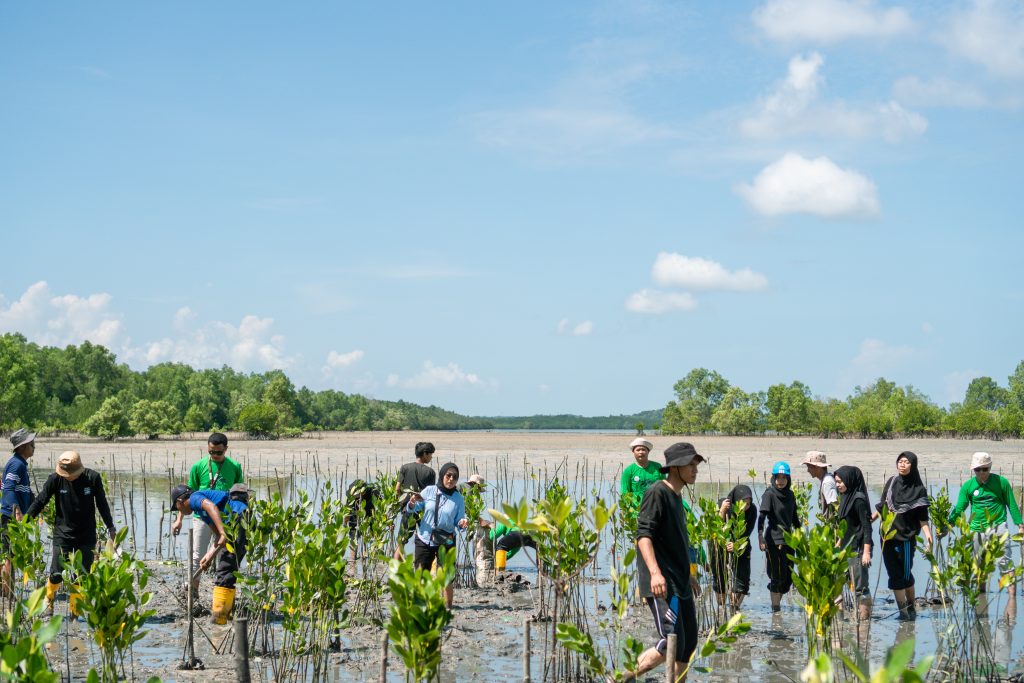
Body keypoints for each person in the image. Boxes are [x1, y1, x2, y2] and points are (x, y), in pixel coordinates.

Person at [621, 442, 704, 683]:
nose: (695, 469)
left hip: (680, 582)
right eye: (691, 464)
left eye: (696, 464)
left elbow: (674, 543)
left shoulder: (677, 497)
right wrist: (655, 573)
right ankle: (618, 678)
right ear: (676, 467)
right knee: (670, 642)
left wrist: (687, 574)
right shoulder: (657, 491)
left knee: (687, 645)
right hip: (662, 584)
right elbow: (643, 536)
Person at [25, 451, 116, 616]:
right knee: (57, 573)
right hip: (63, 533)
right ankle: (48, 604)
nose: (67, 476)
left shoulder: (92, 478)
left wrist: (110, 526)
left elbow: (102, 503)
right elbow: (40, 500)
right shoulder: (55, 479)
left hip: (86, 533)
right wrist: (25, 522)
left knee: (81, 574)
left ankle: (75, 611)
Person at [171, 432, 244, 596]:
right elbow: (187, 497)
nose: (215, 455)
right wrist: (179, 519)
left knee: (224, 557)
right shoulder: (198, 466)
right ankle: (193, 590)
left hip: (225, 517)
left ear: (226, 449)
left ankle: (218, 592)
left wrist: (224, 531)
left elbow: (237, 494)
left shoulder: (235, 466)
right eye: (211, 452)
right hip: (201, 516)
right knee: (198, 555)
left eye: (219, 452)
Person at [171, 483, 249, 624]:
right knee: (228, 567)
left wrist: (222, 532)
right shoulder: (201, 512)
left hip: (238, 518)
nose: (178, 510)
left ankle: (219, 617)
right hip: (238, 521)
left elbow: (211, 507)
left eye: (176, 507)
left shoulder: (194, 498)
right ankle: (225, 613)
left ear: (180, 501)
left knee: (225, 568)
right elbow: (220, 540)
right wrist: (209, 556)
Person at [947, 451, 1023, 592]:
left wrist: (1020, 526)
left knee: (1004, 561)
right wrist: (948, 525)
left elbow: (1012, 504)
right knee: (978, 564)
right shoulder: (968, 486)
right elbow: (959, 508)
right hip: (976, 529)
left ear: (990, 467)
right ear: (973, 469)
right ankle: (981, 595)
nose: (981, 473)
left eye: (985, 469)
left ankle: (1012, 597)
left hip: (998, 526)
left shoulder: (1002, 482)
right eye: (977, 469)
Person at [872, 451, 933, 620]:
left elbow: (923, 519)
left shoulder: (919, 489)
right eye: (900, 461)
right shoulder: (891, 482)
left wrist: (929, 538)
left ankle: (911, 606)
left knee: (906, 575)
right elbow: (882, 506)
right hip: (887, 537)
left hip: (906, 538)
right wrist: (868, 521)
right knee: (894, 574)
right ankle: (903, 613)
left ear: (913, 466)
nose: (902, 464)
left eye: (906, 462)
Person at [406, 462, 468, 609]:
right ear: (442, 475)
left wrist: (463, 522)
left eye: (455, 477)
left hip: (446, 540)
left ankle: (448, 606)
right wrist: (412, 503)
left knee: (447, 576)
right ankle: (421, 605)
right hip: (424, 538)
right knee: (421, 574)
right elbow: (414, 508)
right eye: (448, 475)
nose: (451, 479)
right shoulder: (429, 491)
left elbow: (459, 520)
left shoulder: (458, 498)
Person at [833, 465, 873, 620]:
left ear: (850, 480)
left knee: (860, 588)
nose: (838, 485)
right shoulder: (844, 497)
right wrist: (837, 544)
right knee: (836, 582)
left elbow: (866, 527)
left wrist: (866, 553)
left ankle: (864, 622)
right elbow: (846, 526)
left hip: (858, 550)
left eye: (841, 481)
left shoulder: (858, 499)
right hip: (844, 549)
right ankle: (839, 619)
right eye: (836, 482)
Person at [759, 461, 800, 611]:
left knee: (787, 579)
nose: (780, 481)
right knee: (776, 577)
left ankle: (777, 606)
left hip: (789, 541)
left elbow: (795, 518)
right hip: (773, 540)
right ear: (773, 478)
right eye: (778, 477)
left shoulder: (791, 495)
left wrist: (800, 537)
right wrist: (760, 537)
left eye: (784, 478)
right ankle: (776, 610)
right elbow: (762, 518)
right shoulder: (769, 494)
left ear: (788, 479)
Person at [709, 484, 756, 611]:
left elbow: (747, 532)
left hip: (740, 544)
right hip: (719, 543)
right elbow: (715, 527)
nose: (745, 507)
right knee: (720, 582)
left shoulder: (752, 510)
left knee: (741, 581)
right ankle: (722, 608)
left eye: (748, 503)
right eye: (743, 503)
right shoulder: (723, 504)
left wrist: (735, 544)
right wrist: (723, 511)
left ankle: (735, 608)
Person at [2, 429, 37, 594]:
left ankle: (7, 590)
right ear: (22, 447)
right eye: (31, 444)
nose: (33, 446)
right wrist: (16, 511)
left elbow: (22, 489)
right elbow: (8, 488)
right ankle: (6, 591)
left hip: (11, 514)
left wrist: (36, 503)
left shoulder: (20, 463)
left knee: (11, 554)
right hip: (9, 516)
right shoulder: (17, 464)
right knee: (8, 555)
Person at [393, 442, 436, 561]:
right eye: (431, 454)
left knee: (402, 541)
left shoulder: (405, 467)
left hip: (408, 507)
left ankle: (396, 570)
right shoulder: (430, 472)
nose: (431, 457)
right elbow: (431, 494)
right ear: (425, 454)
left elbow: (397, 488)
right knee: (427, 539)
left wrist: (402, 503)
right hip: (424, 510)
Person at [620, 438, 663, 521]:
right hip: (636, 508)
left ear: (648, 452)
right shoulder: (629, 471)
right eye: (638, 450)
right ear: (633, 452)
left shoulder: (657, 467)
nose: (641, 452)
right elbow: (625, 492)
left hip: (655, 505)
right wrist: (623, 510)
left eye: (643, 450)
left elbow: (665, 487)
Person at [344, 479, 377, 561]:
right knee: (353, 536)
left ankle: (374, 557)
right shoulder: (351, 496)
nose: (354, 496)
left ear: (363, 491)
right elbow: (347, 511)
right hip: (356, 513)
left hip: (370, 512)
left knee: (374, 535)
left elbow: (381, 509)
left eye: (356, 494)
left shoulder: (373, 491)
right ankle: (352, 560)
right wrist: (344, 525)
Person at [802, 451, 838, 520]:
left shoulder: (827, 482)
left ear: (817, 467)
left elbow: (835, 506)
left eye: (809, 467)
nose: (808, 470)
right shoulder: (826, 479)